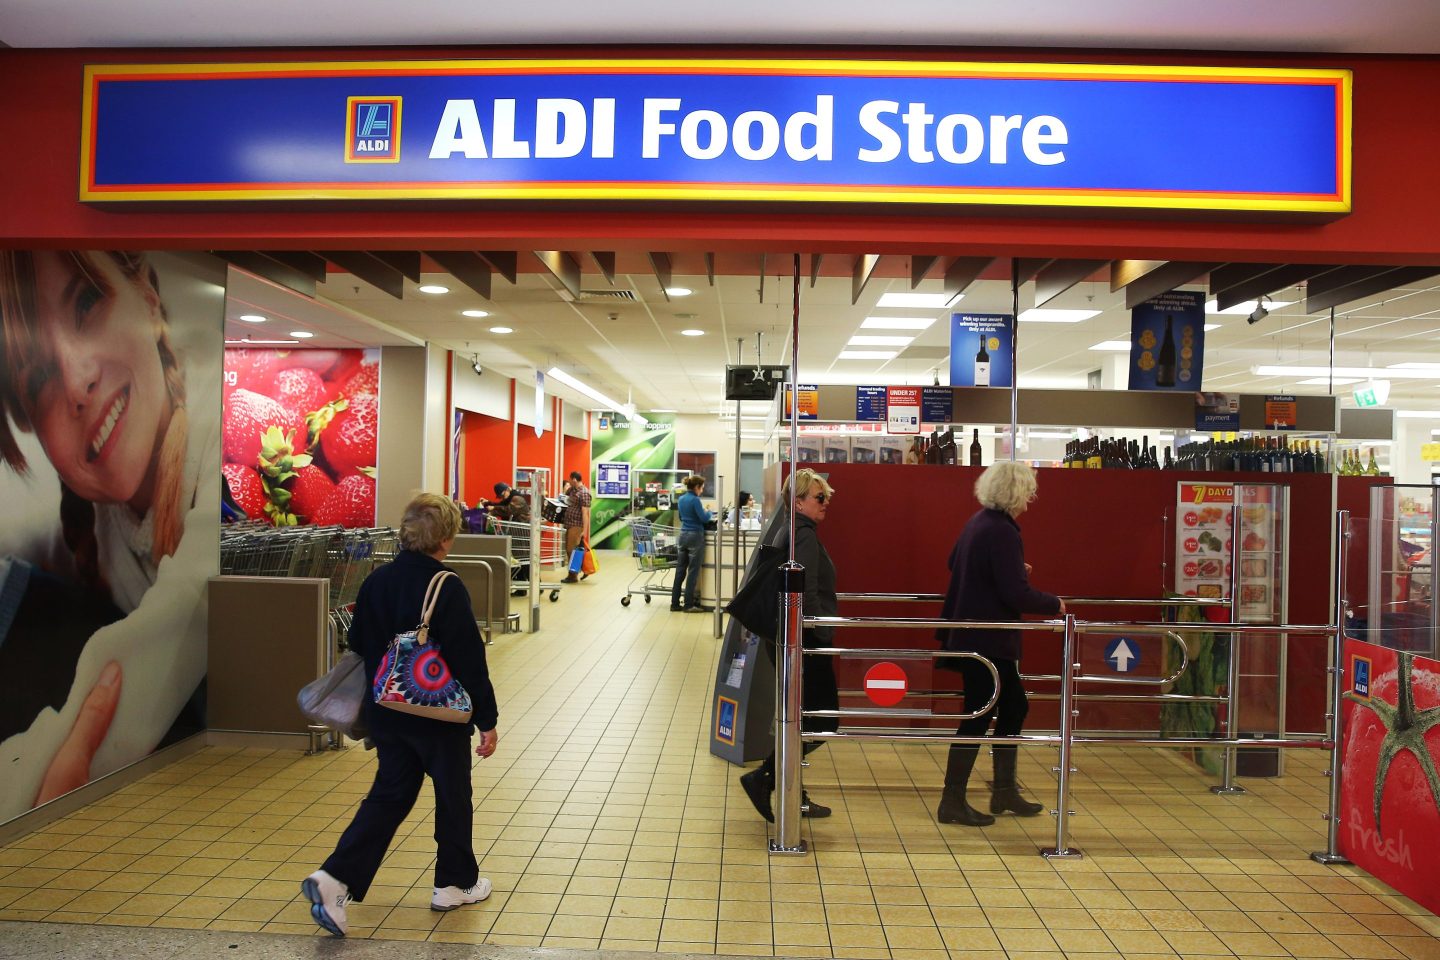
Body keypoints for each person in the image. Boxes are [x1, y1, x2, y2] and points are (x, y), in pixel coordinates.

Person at [0, 250, 219, 815]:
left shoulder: (219, 451)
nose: (76, 382)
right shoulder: (68, 540)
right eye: (40, 379)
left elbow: (122, 700)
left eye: (87, 303)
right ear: (33, 434)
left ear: (147, 297)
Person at [304, 493, 499, 937]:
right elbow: (469, 660)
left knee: (389, 797)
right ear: (446, 538)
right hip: (439, 716)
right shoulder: (446, 586)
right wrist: (486, 719)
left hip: (388, 712)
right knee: (453, 796)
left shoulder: (377, 580)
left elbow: (358, 643)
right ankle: (454, 883)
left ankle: (335, 878)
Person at [934, 461, 1064, 827]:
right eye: (1029, 492)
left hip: (975, 635)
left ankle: (1004, 791)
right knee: (980, 714)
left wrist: (1010, 571)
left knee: (1012, 706)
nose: (1030, 499)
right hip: (987, 639)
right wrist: (1053, 604)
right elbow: (1015, 594)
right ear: (1017, 492)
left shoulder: (978, 523)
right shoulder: (1003, 531)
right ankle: (953, 800)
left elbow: (954, 562)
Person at [737, 467, 837, 823]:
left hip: (786, 639)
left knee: (801, 719)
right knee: (822, 718)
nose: (825, 503)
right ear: (797, 502)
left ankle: (791, 790)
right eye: (819, 497)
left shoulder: (789, 531)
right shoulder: (803, 535)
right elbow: (805, 594)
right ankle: (765, 776)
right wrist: (821, 634)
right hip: (803, 641)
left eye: (827, 497)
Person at [671, 474, 712, 611]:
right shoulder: (695, 500)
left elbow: (682, 517)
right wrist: (709, 512)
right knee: (693, 571)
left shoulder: (681, 499)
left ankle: (675, 604)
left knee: (680, 571)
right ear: (696, 487)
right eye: (701, 488)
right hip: (695, 536)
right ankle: (688, 605)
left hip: (683, 536)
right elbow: (704, 518)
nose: (701, 491)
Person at [560, 469, 591, 583]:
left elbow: (585, 513)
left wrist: (585, 531)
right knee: (573, 550)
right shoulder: (572, 490)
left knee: (571, 550)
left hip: (577, 525)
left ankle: (572, 576)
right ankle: (584, 569)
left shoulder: (584, 493)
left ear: (574, 479)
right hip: (568, 523)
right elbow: (564, 497)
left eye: (569, 480)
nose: (568, 482)